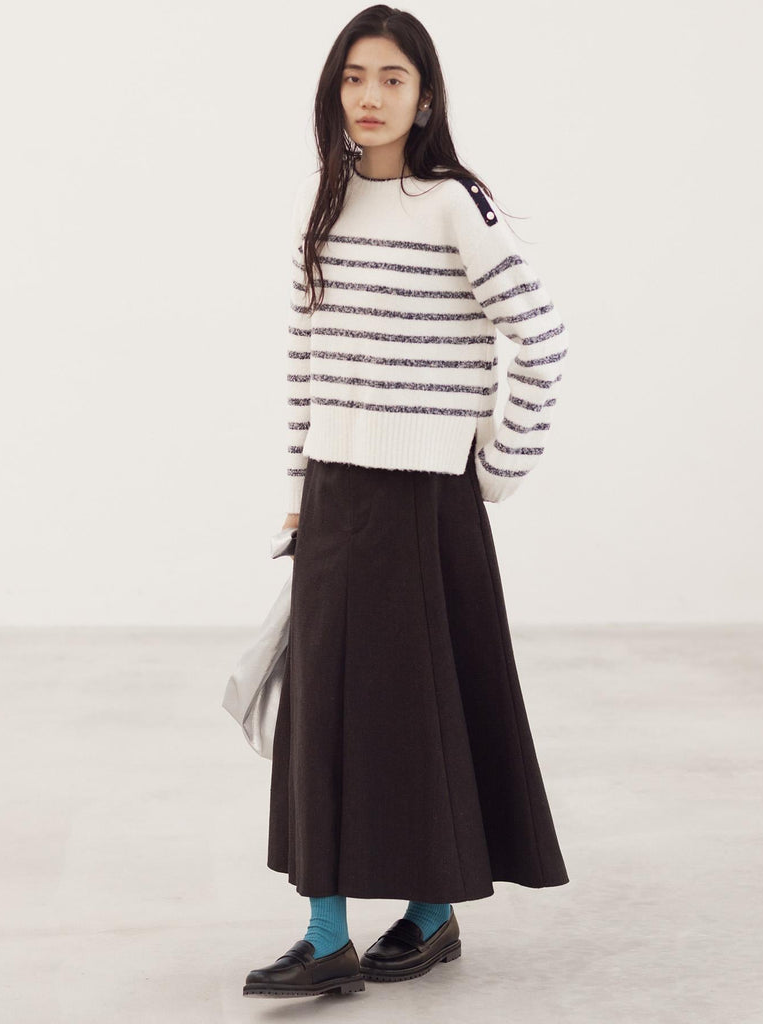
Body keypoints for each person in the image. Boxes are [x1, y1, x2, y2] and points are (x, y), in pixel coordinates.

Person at [244, 4, 571, 999]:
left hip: (428, 500)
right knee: (322, 718)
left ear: (425, 97)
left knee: (421, 709)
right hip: (335, 495)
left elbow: (542, 338)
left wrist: (497, 466)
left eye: (392, 78)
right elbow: (305, 363)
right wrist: (296, 494)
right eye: (354, 77)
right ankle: (324, 932)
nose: (371, 96)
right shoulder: (324, 203)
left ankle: (431, 913)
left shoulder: (453, 204)